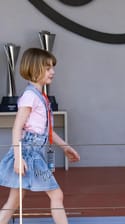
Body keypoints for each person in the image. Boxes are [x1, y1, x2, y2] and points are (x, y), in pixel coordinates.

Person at [0, 48, 80, 224]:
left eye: (52, 67)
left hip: (34, 153)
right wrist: (18, 158)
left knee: (14, 201)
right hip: (29, 153)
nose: (52, 72)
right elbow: (17, 128)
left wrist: (66, 147)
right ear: (35, 69)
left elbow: (46, 130)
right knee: (56, 195)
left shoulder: (41, 97)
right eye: (47, 68)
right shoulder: (30, 96)